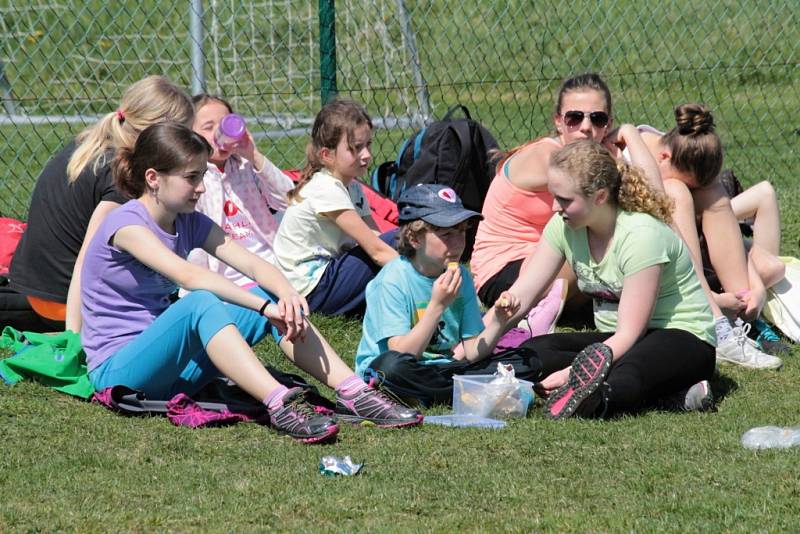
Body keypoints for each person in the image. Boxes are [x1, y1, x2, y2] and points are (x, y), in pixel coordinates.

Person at [80, 122, 422, 444]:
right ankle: (280, 405)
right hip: (120, 372)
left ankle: (356, 394)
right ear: (153, 178)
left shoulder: (190, 221)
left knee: (270, 290)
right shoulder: (125, 225)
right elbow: (189, 277)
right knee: (201, 302)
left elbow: (256, 265)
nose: (201, 187)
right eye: (191, 178)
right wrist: (263, 307)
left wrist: (284, 294)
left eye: (201, 175)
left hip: (170, 365)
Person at [487, 140, 734, 420]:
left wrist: (572, 373)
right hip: (619, 342)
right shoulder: (563, 226)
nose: (555, 206)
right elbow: (520, 296)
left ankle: (595, 400)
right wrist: (472, 346)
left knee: (628, 374)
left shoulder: (641, 234)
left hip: (684, 340)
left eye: (565, 199)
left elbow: (631, 333)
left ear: (600, 196)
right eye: (554, 196)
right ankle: (675, 395)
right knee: (535, 351)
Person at [471, 73, 658, 336]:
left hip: (555, 271)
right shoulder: (550, 156)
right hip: (506, 275)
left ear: (608, 124)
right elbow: (651, 192)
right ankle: (534, 315)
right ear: (559, 122)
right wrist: (632, 139)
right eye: (574, 118)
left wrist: (631, 135)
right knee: (588, 223)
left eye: (597, 118)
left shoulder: (595, 155)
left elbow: (659, 194)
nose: (585, 127)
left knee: (677, 197)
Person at [4, 75, 194, 333]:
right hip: (61, 303)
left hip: (35, 286)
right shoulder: (123, 176)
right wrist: (75, 339)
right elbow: (87, 260)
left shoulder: (90, 144)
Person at [614, 104, 790, 360]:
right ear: (663, 157)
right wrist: (711, 299)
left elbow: (725, 228)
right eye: (690, 185)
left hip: (696, 242)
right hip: (656, 252)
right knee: (675, 191)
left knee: (769, 266)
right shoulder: (633, 158)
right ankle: (710, 308)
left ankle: (746, 315)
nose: (690, 190)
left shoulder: (685, 147)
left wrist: (753, 289)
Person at [354, 184, 541, 408]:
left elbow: (472, 352)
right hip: (394, 369)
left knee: (526, 362)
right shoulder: (393, 279)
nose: (458, 243)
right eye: (446, 234)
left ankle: (439, 394)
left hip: (442, 369)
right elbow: (403, 353)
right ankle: (471, 392)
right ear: (415, 238)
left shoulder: (460, 275)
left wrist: (499, 322)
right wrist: (437, 306)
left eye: (462, 231)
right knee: (391, 368)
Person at [272, 98, 398, 316]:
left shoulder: (352, 186)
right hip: (310, 293)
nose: (366, 155)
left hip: (329, 277)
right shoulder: (325, 188)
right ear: (326, 155)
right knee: (399, 241)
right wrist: (419, 274)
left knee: (398, 240)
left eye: (368, 144)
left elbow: (376, 237)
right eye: (356, 148)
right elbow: (377, 252)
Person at [188, 95, 294, 287]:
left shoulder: (246, 165)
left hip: (270, 265)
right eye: (208, 127)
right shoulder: (191, 176)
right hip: (224, 276)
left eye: (223, 125)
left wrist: (254, 155)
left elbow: (289, 199)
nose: (218, 133)